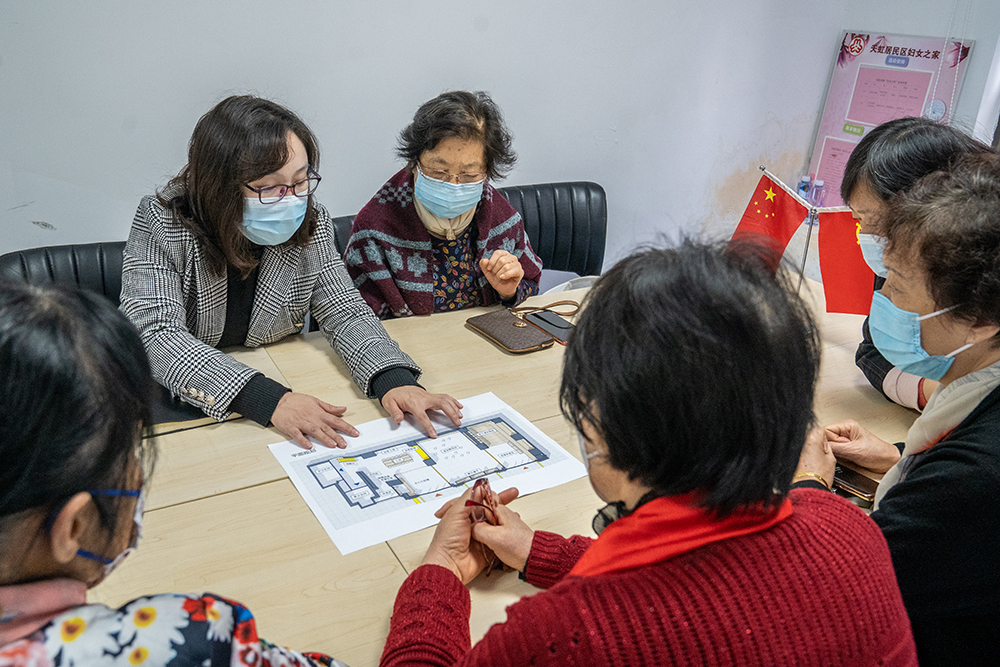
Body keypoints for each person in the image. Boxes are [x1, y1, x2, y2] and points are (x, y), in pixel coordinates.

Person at [378, 243, 917, 666]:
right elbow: (710, 582)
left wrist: (439, 570)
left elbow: (661, 609)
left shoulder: (565, 637)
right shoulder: (850, 530)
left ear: (600, 429)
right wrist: (536, 550)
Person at [0, 280, 348, 666]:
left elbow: (342, 303)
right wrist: (431, 570)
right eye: (130, 452)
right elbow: (157, 334)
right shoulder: (187, 642)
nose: (137, 468)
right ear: (74, 527)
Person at [120, 95, 462, 449]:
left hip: (277, 391)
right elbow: (155, 334)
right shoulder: (162, 222)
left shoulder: (311, 221)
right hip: (193, 408)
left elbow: (344, 310)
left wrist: (395, 379)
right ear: (218, 187)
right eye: (270, 187)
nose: (292, 199)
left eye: (301, 182)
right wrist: (271, 400)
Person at [797, 153, 1000, 665]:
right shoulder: (977, 392)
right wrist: (899, 456)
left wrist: (809, 487)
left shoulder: (976, 476)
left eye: (901, 285)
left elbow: (837, 588)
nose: (884, 298)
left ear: (980, 318)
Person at [344, 91, 542, 319]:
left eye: (468, 175)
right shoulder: (374, 229)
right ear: (414, 161)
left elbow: (532, 288)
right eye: (439, 172)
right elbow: (353, 319)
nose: (453, 185)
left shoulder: (501, 217)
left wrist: (509, 292)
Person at [841, 116, 992, 411]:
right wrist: (932, 393)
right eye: (859, 220)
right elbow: (871, 351)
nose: (871, 239)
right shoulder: (899, 260)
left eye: (882, 223)